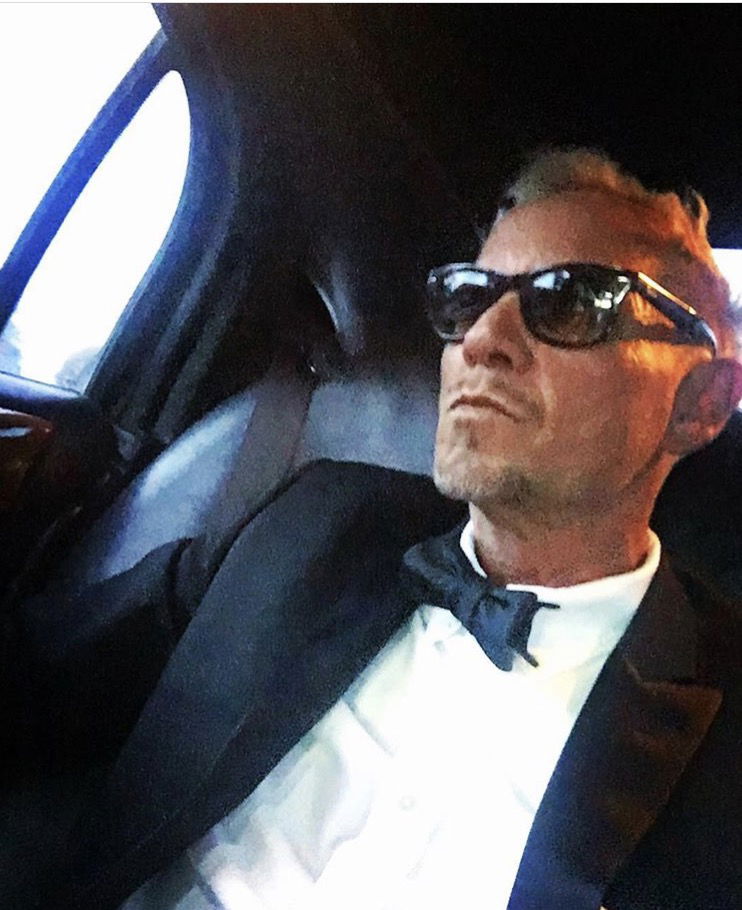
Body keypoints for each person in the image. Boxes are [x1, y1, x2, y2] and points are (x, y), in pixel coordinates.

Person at [20, 148, 742, 909]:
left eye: (571, 302)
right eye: (469, 297)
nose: (481, 340)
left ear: (701, 402)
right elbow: (42, 678)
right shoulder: (318, 520)